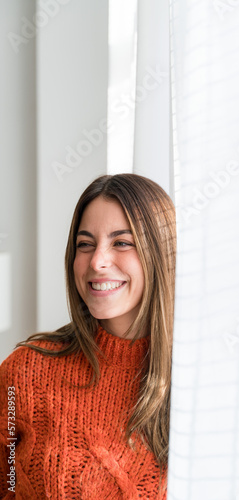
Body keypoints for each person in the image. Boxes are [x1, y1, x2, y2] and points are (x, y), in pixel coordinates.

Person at [0, 173, 176, 499]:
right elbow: (7, 480)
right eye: (85, 244)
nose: (97, 261)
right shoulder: (24, 372)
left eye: (121, 242)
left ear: (162, 254)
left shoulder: (199, 379)